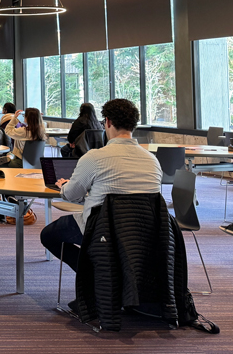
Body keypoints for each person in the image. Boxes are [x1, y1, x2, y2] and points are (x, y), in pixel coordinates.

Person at [40, 99, 162, 271]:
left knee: (49, 235)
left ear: (108, 122)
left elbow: (70, 195)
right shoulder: (153, 161)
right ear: (134, 125)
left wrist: (65, 186)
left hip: (101, 230)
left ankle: (90, 275)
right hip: (142, 233)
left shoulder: (94, 157)